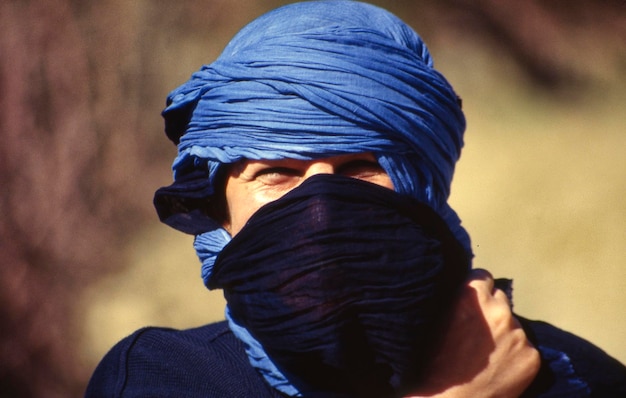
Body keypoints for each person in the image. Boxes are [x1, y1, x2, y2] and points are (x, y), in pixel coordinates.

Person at [86, 1, 625, 397]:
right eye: (277, 173)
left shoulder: (572, 377)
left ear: (423, 189)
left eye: (361, 169)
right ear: (217, 211)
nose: (322, 208)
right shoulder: (164, 378)